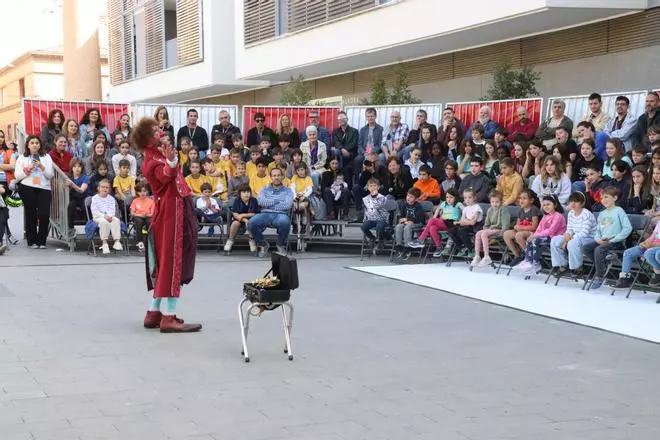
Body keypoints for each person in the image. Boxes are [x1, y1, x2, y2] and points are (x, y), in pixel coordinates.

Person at [133, 117, 202, 333]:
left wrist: (171, 159)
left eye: (158, 127)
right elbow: (164, 176)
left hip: (174, 209)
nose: (160, 130)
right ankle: (169, 317)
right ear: (147, 140)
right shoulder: (151, 161)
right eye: (154, 130)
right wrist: (172, 163)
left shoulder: (158, 153)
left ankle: (153, 312)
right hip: (171, 214)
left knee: (166, 263)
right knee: (172, 264)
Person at [581, 186, 632, 289]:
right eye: (602, 198)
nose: (603, 200)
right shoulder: (602, 214)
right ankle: (603, 263)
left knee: (599, 250)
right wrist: (597, 239)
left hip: (616, 241)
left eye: (607, 197)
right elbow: (598, 230)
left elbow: (627, 228)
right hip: (603, 240)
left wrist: (615, 239)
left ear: (615, 198)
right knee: (586, 248)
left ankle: (600, 276)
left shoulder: (619, 211)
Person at [15, 136, 54, 249]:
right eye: (32, 143)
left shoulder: (46, 157)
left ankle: (42, 240)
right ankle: (31, 240)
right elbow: (17, 177)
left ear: (40, 145)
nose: (35, 145)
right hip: (27, 186)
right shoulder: (22, 158)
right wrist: (28, 169)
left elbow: (50, 175)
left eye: (37, 143)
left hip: (44, 187)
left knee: (44, 214)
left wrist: (41, 166)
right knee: (30, 213)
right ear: (28, 145)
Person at [513, 195, 566, 276]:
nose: (546, 207)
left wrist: (536, 236)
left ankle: (535, 263)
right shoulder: (546, 216)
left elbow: (551, 231)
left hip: (555, 237)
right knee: (531, 239)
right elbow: (539, 228)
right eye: (544, 205)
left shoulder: (558, 216)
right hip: (545, 237)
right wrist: (534, 234)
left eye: (548, 204)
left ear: (554, 204)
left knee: (535, 240)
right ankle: (528, 260)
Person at [248, 167, 294, 257]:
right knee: (251, 223)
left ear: (282, 177)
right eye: (274, 175)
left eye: (278, 175)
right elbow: (261, 202)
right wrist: (277, 201)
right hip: (265, 213)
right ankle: (263, 244)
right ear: (271, 177)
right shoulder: (264, 190)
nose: (276, 177)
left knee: (285, 222)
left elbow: (287, 205)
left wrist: (269, 203)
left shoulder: (288, 191)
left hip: (281, 214)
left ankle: (280, 245)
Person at [549, 192, 597, 278]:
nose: (573, 204)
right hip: (574, 237)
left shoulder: (587, 214)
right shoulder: (571, 213)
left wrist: (568, 240)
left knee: (572, 243)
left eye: (576, 202)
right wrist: (567, 236)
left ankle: (577, 268)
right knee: (555, 240)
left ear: (582, 203)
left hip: (589, 238)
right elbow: (570, 228)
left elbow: (584, 233)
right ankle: (562, 265)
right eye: (571, 201)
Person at [408, 188, 462, 257]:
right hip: (443, 222)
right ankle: (439, 247)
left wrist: (461, 220)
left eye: (451, 197)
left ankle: (421, 239)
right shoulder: (444, 203)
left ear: (456, 197)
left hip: (451, 223)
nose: (448, 199)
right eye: (447, 197)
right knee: (432, 228)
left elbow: (465, 209)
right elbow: (438, 209)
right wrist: (435, 216)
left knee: (432, 220)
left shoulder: (458, 204)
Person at [615, 219, 660, 289]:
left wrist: (650, 245)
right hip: (651, 245)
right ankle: (624, 280)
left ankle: (658, 273)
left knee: (649, 253)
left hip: (656, 247)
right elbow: (652, 237)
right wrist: (644, 243)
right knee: (628, 253)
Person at [503, 189, 542, 267]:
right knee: (506, 234)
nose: (521, 200)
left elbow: (534, 227)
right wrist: (516, 227)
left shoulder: (534, 210)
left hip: (532, 232)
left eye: (524, 198)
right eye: (520, 198)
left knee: (519, 235)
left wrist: (520, 228)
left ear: (531, 200)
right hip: (522, 231)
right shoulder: (520, 210)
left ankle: (528, 255)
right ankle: (517, 255)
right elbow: (518, 224)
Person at [472, 190, 510, 267]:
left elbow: (505, 223)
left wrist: (503, 230)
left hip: (500, 230)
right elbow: (486, 223)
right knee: (478, 233)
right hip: (491, 229)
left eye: (497, 202)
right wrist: (485, 228)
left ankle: (486, 256)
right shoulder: (490, 210)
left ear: (501, 201)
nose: (494, 204)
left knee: (484, 233)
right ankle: (477, 256)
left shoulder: (503, 209)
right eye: (492, 202)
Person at [446, 188, 483, 258]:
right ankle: (462, 247)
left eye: (470, 197)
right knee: (451, 231)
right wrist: (463, 221)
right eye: (465, 198)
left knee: (461, 230)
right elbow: (462, 221)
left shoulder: (477, 208)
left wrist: (464, 221)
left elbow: (472, 223)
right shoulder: (465, 208)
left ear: (474, 198)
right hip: (466, 226)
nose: (467, 200)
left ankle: (471, 249)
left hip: (476, 227)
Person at [90, 179, 123, 254]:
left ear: (109, 189)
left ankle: (117, 241)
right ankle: (104, 243)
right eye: (103, 187)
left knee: (116, 220)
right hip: (98, 217)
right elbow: (95, 211)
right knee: (104, 222)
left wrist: (110, 216)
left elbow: (112, 210)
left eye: (107, 187)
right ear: (98, 188)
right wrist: (104, 216)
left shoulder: (111, 199)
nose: (105, 189)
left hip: (110, 216)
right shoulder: (94, 198)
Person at [225, 184, 259, 254]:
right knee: (235, 223)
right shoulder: (237, 200)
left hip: (252, 220)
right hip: (239, 221)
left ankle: (251, 240)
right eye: (244, 192)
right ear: (239, 194)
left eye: (248, 192)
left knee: (250, 223)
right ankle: (230, 240)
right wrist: (245, 220)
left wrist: (243, 215)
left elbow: (255, 213)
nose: (246, 194)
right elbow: (235, 214)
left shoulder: (254, 200)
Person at [393, 188, 425, 261]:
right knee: (399, 226)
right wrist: (403, 221)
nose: (408, 198)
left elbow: (420, 218)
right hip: (407, 223)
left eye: (411, 197)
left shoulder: (418, 206)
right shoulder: (404, 205)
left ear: (416, 198)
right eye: (408, 196)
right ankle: (399, 246)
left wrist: (408, 220)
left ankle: (407, 248)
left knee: (408, 227)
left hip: (417, 223)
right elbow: (401, 216)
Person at [360, 178, 389, 251]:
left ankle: (381, 240)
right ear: (368, 187)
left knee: (379, 227)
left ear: (378, 187)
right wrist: (365, 220)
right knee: (364, 227)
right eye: (370, 186)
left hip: (382, 219)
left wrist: (374, 197)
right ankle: (372, 238)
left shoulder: (382, 198)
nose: (372, 187)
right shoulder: (365, 199)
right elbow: (366, 210)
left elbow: (378, 206)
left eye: (374, 186)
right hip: (370, 219)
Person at [65, 158, 89, 238]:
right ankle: (71, 229)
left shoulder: (85, 177)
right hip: (73, 198)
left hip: (83, 197)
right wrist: (64, 185)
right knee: (71, 206)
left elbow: (81, 190)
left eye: (79, 166)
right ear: (71, 168)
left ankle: (89, 228)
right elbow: (62, 188)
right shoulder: (68, 177)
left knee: (85, 207)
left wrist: (72, 184)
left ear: (82, 167)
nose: (77, 168)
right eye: (74, 166)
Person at [130, 182, 154, 252]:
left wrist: (146, 215)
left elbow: (152, 214)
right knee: (138, 220)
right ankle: (139, 241)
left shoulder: (151, 201)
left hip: (147, 216)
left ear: (147, 191)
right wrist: (140, 215)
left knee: (149, 221)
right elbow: (132, 213)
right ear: (137, 192)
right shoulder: (135, 201)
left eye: (144, 191)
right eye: (140, 191)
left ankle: (150, 240)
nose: (142, 193)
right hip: (137, 216)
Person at [290, 164, 313, 234]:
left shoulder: (308, 178)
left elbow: (309, 190)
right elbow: (292, 187)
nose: (300, 172)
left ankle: (303, 224)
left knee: (303, 207)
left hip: (304, 197)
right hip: (296, 197)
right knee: (293, 207)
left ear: (305, 170)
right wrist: (294, 196)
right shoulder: (294, 177)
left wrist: (304, 196)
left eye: (302, 170)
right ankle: (295, 224)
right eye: (298, 170)